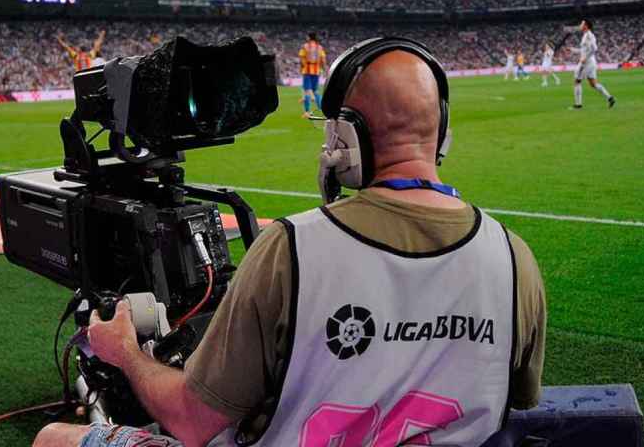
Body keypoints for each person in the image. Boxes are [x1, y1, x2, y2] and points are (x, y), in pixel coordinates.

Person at [33, 45, 546, 447]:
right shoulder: (513, 257)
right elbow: (518, 399)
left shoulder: (291, 248)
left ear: (343, 138)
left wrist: (123, 351)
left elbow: (192, 423)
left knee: (53, 439)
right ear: (443, 133)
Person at [569, 20, 615, 109]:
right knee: (593, 84)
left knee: (577, 81)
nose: (580, 25)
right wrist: (573, 50)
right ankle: (610, 98)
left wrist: (585, 58)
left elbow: (594, 48)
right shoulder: (585, 35)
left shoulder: (589, 35)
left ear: (586, 26)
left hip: (586, 63)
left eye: (581, 24)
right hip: (590, 62)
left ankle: (578, 105)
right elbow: (583, 50)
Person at [299, 32, 326, 117]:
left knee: (307, 91)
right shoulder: (319, 47)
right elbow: (323, 60)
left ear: (309, 37)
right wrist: (323, 69)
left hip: (307, 70)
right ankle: (322, 109)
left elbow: (301, 58)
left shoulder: (305, 46)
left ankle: (307, 112)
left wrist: (302, 67)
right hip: (316, 71)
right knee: (315, 91)